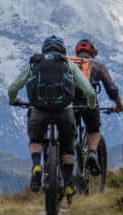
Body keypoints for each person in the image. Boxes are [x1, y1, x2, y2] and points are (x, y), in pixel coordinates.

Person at [8, 35, 99, 196]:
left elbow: (13, 87)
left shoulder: (35, 64)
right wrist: (91, 105)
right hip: (64, 111)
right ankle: (69, 182)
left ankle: (37, 165)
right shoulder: (67, 64)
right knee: (68, 145)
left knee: (35, 140)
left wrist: (14, 100)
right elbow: (89, 91)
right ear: (63, 51)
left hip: (39, 110)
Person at [68, 38, 123, 173]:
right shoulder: (98, 65)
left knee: (68, 133)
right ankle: (92, 153)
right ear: (93, 52)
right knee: (94, 130)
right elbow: (112, 89)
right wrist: (119, 105)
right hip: (89, 103)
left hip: (69, 104)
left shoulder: (68, 63)